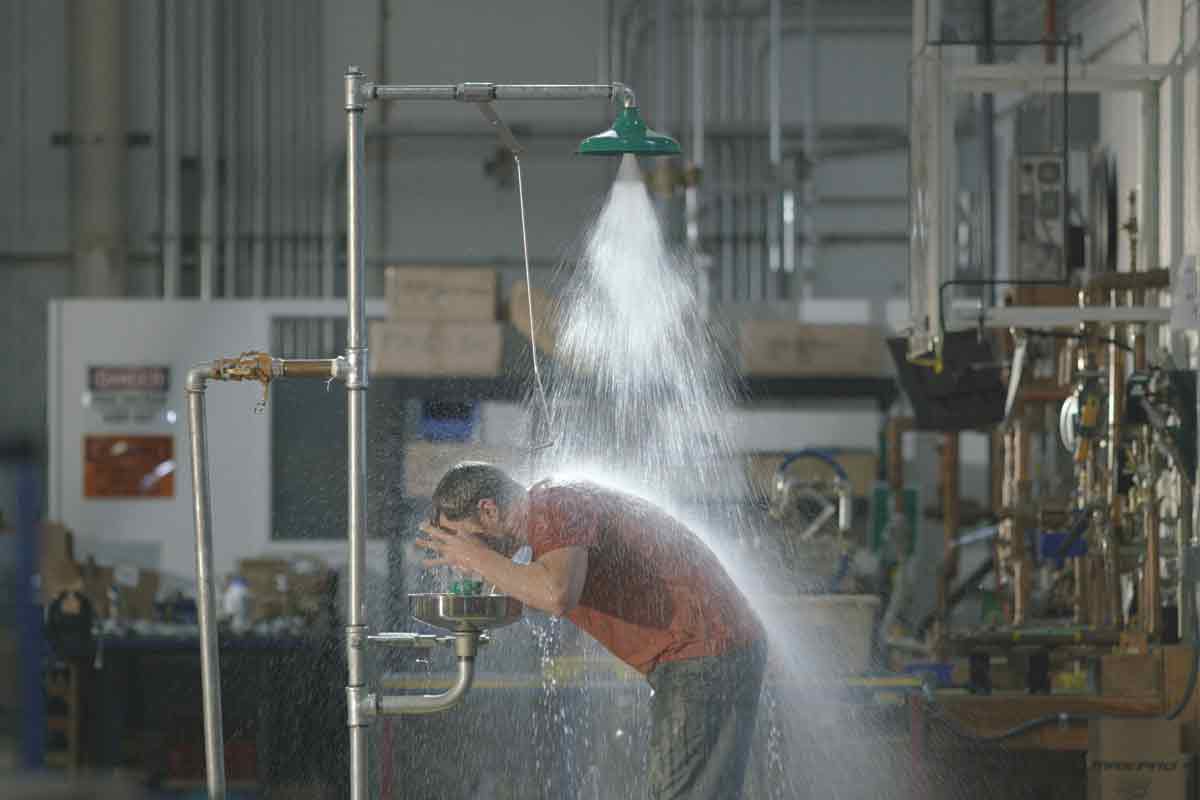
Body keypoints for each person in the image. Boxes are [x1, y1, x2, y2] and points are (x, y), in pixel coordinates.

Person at [418, 461, 767, 800]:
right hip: (699, 653)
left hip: (707, 650)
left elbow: (556, 595)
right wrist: (480, 570)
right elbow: (525, 595)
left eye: (464, 541)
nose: (465, 555)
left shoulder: (554, 503)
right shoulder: (546, 519)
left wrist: (478, 558)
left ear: (489, 511)